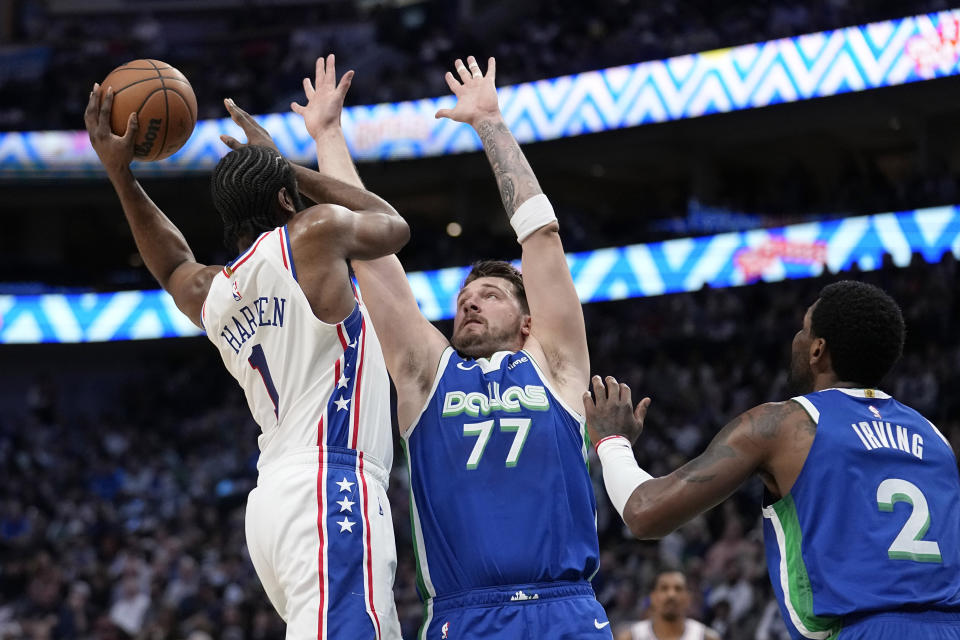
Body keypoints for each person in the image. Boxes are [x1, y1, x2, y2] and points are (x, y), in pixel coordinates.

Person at [84, 57, 408, 639]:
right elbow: (390, 222)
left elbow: (172, 262)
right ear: (287, 203)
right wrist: (292, 167)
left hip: (272, 507)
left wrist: (121, 176)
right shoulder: (311, 235)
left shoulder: (214, 292)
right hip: (328, 485)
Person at [288, 54, 611, 639]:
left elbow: (540, 235)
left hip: (566, 608)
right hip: (465, 617)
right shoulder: (425, 376)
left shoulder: (557, 368)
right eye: (465, 296)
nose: (469, 302)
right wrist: (329, 137)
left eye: (489, 294)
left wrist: (491, 124)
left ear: (529, 322)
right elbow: (372, 256)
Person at [585, 280, 960, 640]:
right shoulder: (935, 438)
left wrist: (611, 441)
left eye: (803, 329)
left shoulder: (785, 423)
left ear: (817, 350)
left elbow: (644, 512)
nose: (796, 339)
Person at [617, 570, 720, 640]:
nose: (671, 595)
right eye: (664, 588)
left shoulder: (706, 637)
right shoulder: (630, 637)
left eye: (678, 589)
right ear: (653, 597)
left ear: (688, 598)